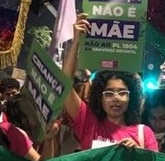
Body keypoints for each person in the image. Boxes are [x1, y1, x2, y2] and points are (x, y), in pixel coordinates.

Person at [61, 14, 157, 150]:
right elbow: (64, 84)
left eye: (122, 93)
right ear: (100, 97)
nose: (116, 98)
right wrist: (76, 41)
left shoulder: (144, 134)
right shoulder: (88, 122)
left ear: (131, 97)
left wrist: (139, 154)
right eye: (109, 93)